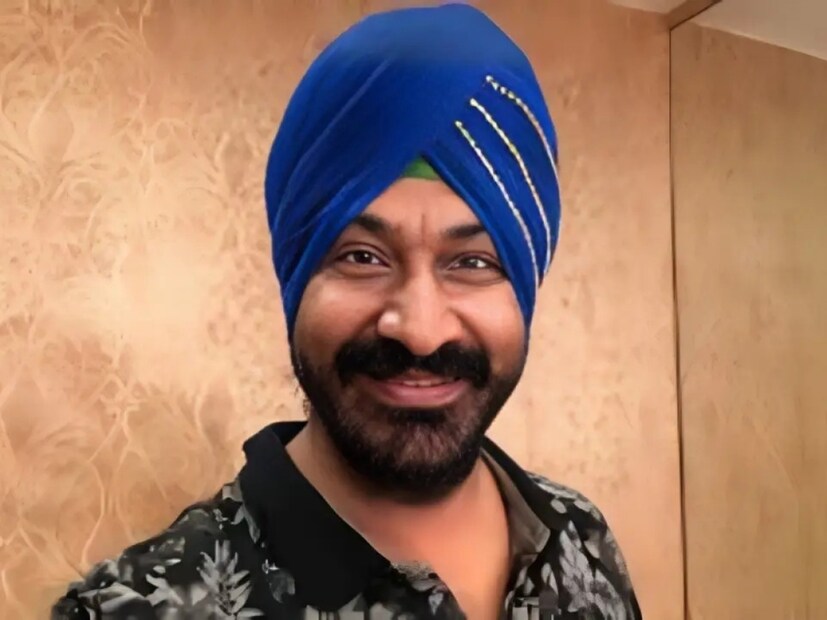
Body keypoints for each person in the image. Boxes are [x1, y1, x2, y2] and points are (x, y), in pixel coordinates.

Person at [52, 5, 641, 619]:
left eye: (472, 262)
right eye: (362, 257)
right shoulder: (135, 609)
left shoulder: (582, 538)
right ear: (296, 280)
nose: (421, 331)